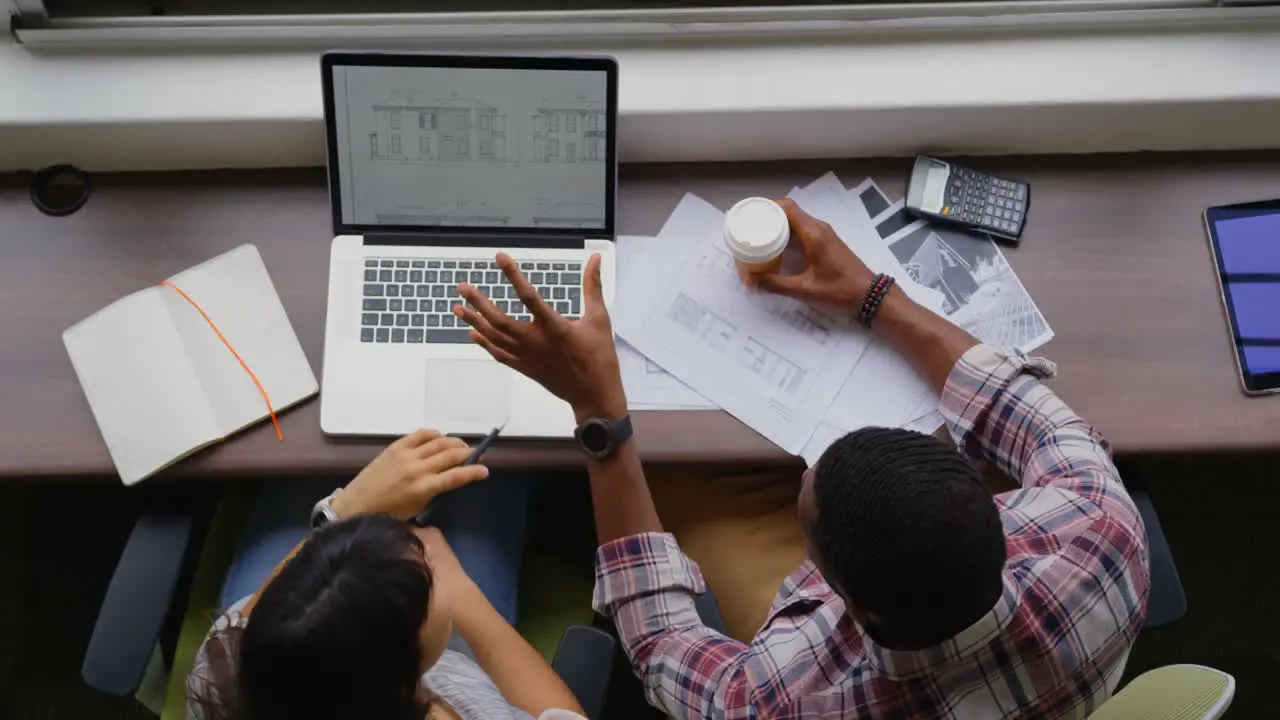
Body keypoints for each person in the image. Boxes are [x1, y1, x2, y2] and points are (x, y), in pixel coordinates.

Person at [454, 199, 1151, 718]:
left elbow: (662, 643)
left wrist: (597, 413)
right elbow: (1006, 395)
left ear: (849, 602)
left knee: (678, 481)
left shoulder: (778, 701)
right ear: (991, 509)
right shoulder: (1103, 528)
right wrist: (873, 296)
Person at [186, 431, 587, 720]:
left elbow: (249, 620)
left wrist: (340, 512)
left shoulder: (225, 676)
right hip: (470, 659)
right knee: (493, 467)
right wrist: (462, 592)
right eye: (425, 573)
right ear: (408, 672)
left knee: (309, 456)